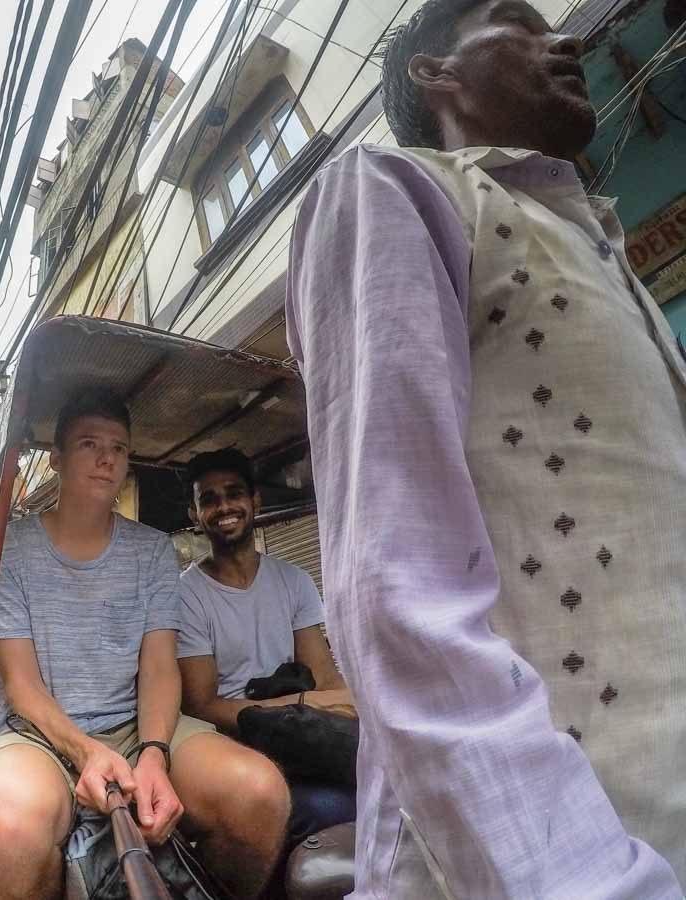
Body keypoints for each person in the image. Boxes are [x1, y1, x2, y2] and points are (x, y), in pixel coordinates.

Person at [285, 1, 685, 896]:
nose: (568, 41)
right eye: (519, 22)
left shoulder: (603, 248)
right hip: (551, 861)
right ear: (436, 74)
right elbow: (399, 595)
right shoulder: (391, 190)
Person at [0, 388, 290, 900]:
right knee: (6, 823)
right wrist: (86, 751)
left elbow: (161, 667)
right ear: (56, 458)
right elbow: (21, 685)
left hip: (140, 728)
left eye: (118, 448)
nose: (106, 459)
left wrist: (155, 754)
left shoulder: (153, 550)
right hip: (39, 737)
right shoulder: (8, 547)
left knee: (259, 793)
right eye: (89, 444)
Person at [177, 448, 352, 735]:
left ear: (255, 501)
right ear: (194, 515)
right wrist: (303, 703)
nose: (224, 508)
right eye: (209, 500)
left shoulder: (295, 581)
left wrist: (343, 703)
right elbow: (202, 705)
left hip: (300, 723)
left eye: (234, 494)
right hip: (233, 733)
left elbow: (325, 679)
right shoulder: (186, 596)